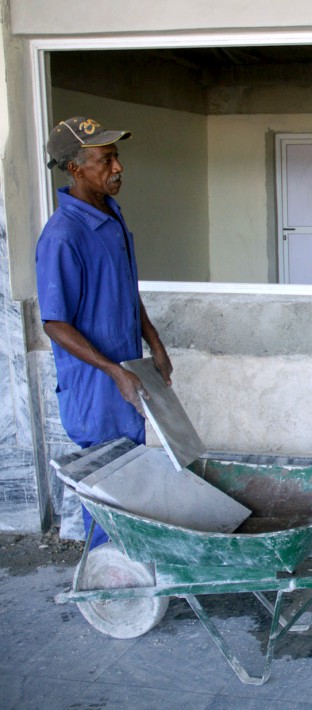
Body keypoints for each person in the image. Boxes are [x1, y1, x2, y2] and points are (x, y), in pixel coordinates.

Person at [36, 116, 173, 547]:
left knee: (132, 486)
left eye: (117, 157)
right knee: (106, 492)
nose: (118, 167)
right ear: (75, 168)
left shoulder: (110, 216)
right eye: (106, 159)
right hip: (95, 389)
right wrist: (114, 371)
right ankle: (107, 576)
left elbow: (125, 289)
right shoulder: (63, 236)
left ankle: (131, 569)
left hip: (126, 377)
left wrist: (154, 342)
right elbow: (54, 323)